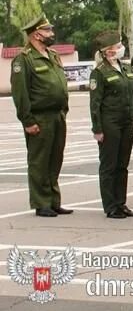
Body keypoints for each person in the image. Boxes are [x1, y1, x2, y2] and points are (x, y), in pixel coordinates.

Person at [11, 16, 71, 217]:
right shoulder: (24, 58)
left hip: (57, 115)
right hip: (40, 117)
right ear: (37, 34)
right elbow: (21, 94)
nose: (52, 34)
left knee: (55, 159)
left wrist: (64, 109)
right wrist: (28, 121)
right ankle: (41, 202)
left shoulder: (52, 55)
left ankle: (54, 200)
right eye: (48, 31)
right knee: (39, 161)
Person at [89, 30, 133, 219]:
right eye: (117, 47)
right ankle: (110, 205)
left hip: (127, 122)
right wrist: (97, 129)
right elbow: (95, 103)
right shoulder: (99, 73)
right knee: (109, 165)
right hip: (110, 122)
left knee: (122, 164)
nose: (120, 49)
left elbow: (132, 95)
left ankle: (121, 202)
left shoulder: (125, 69)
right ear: (108, 51)